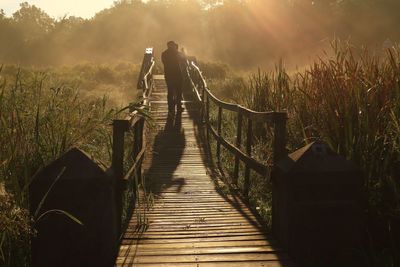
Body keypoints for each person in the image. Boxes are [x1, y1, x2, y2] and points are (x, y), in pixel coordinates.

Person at [162, 41, 184, 113]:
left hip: (168, 75)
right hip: (177, 75)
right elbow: (182, 59)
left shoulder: (164, 54)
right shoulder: (177, 53)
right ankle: (179, 107)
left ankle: (170, 108)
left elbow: (164, 62)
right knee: (178, 92)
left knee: (170, 92)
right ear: (173, 46)